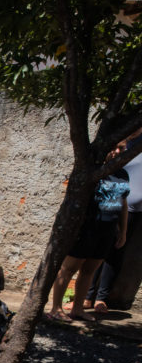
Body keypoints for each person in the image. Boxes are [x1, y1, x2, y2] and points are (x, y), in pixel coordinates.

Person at [47, 143, 130, 322]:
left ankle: (78, 309)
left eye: (122, 149)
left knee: (89, 271)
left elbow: (123, 204)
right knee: (69, 269)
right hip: (86, 228)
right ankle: (56, 309)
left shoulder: (123, 174)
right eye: (114, 147)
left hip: (107, 231)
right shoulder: (94, 171)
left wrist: (123, 231)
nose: (117, 152)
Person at [84, 131, 142, 313]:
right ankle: (87, 296)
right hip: (113, 206)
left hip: (133, 210)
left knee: (115, 254)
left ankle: (101, 298)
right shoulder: (124, 145)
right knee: (97, 253)